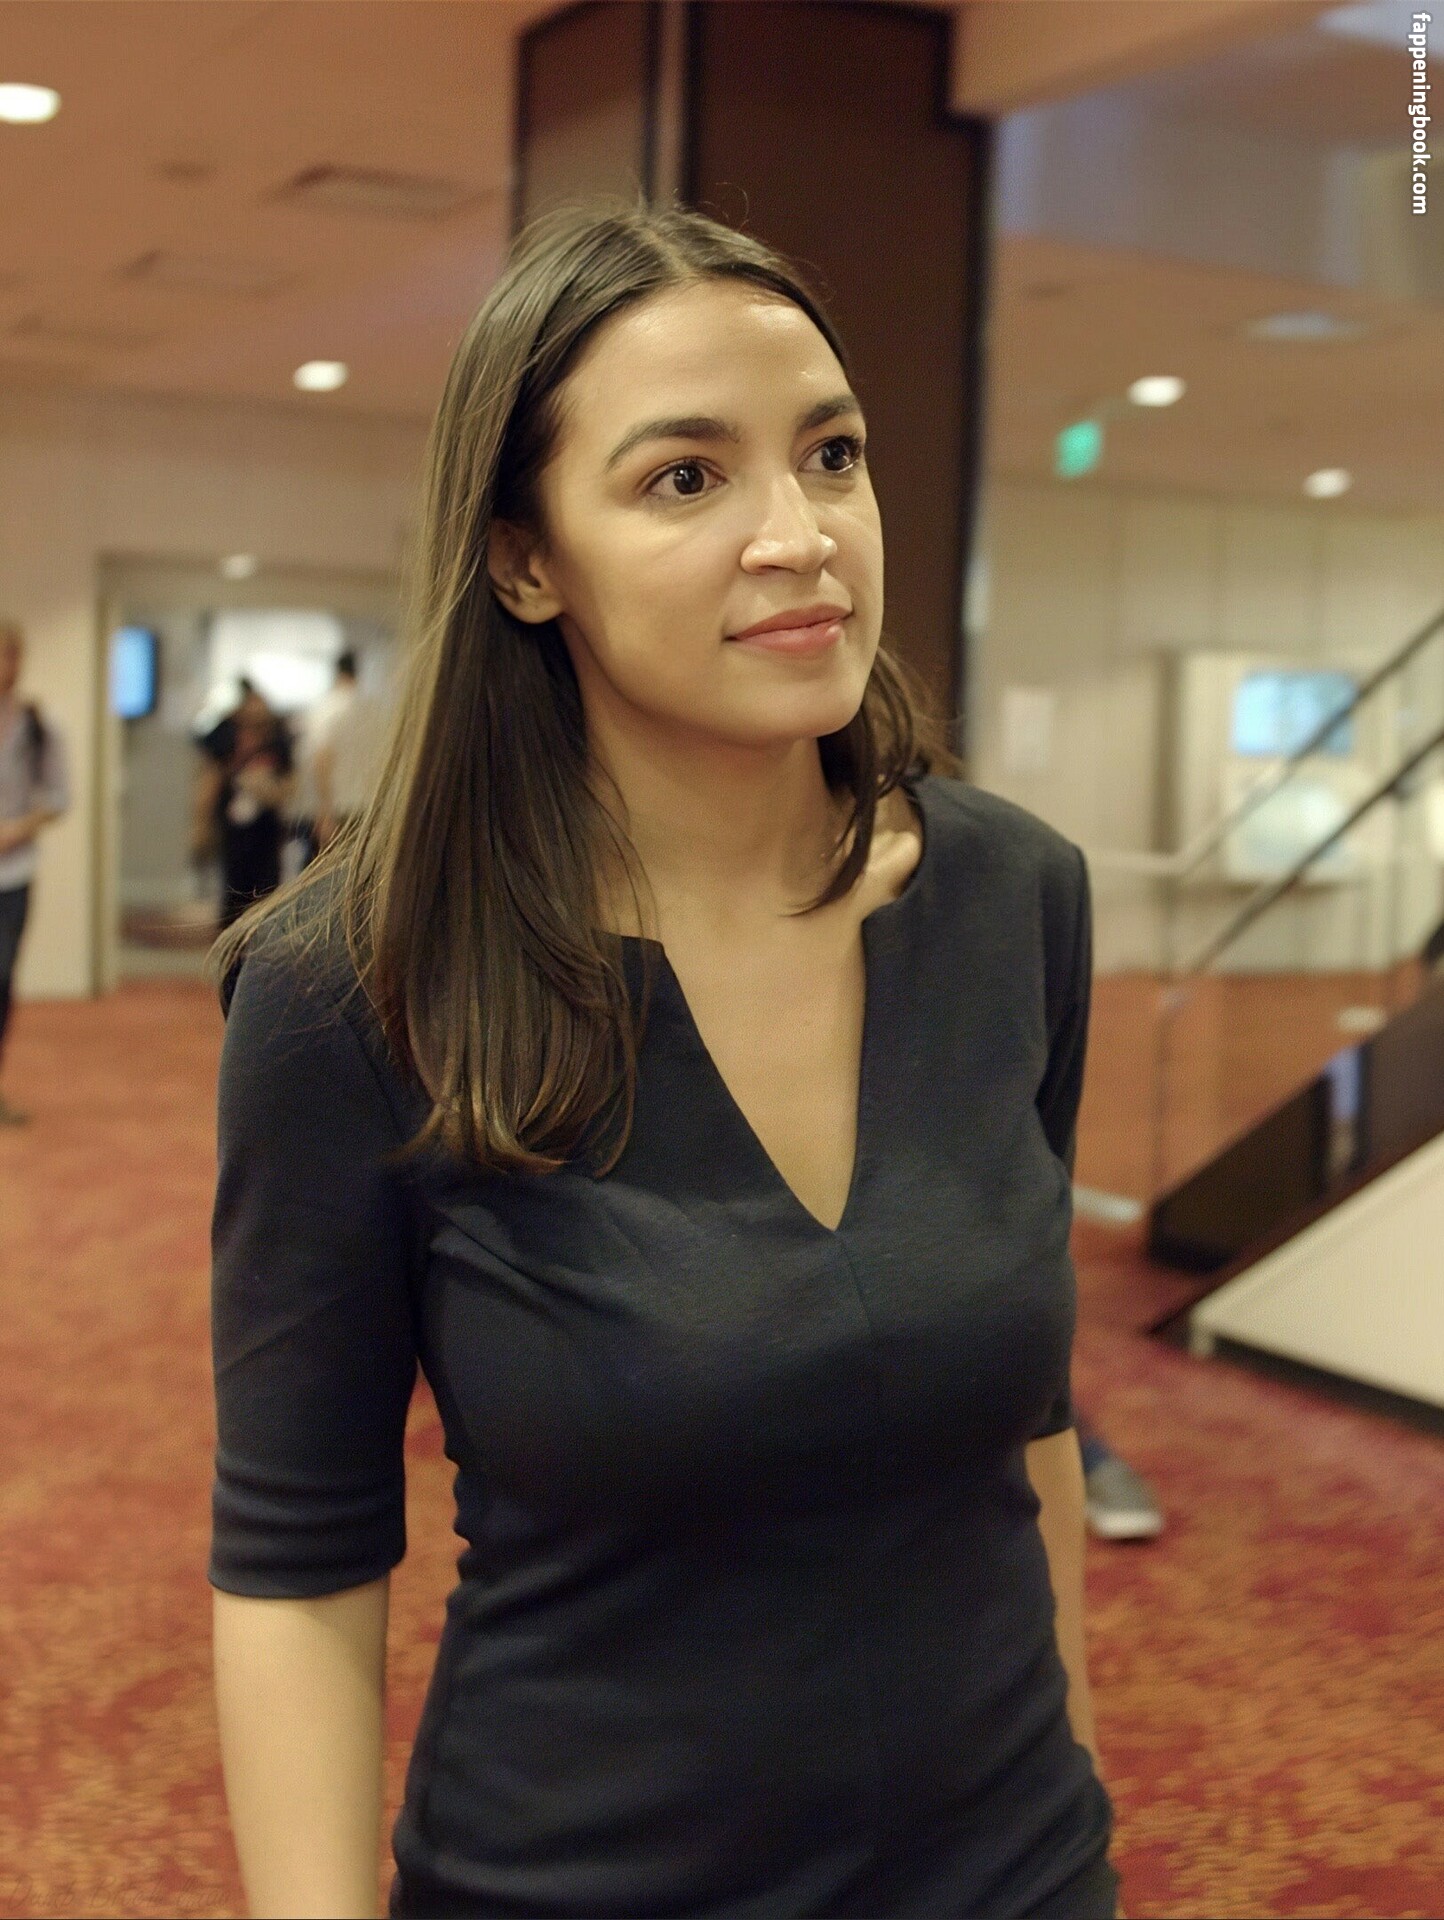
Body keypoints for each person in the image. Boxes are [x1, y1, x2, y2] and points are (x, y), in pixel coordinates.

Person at [208, 204, 1121, 1920]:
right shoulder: (352, 989)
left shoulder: (1015, 899)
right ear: (523, 562)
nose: (800, 535)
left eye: (831, 454)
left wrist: (1076, 1828)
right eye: (684, 478)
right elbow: (297, 1563)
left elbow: (1032, 1436)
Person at [0, 619, 69, 1126]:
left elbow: (59, 797)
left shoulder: (39, 727)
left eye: (10, 655)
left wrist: (17, 830)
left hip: (13, 872)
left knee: (1, 979)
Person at [194, 686, 294, 929]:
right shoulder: (227, 738)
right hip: (234, 829)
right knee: (233, 889)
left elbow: (288, 785)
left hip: (266, 828)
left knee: (266, 890)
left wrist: (266, 789)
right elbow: (211, 778)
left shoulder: (278, 742)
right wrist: (201, 823)